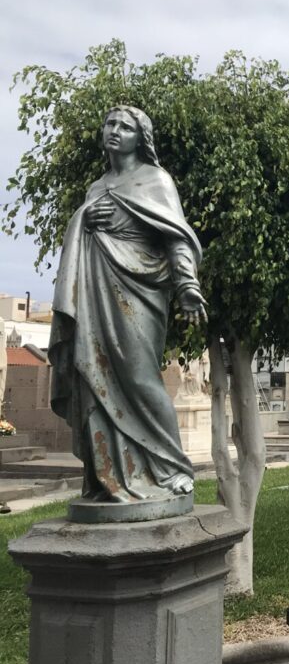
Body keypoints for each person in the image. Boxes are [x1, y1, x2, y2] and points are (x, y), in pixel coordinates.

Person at [49, 106, 207, 503]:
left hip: (140, 289)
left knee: (140, 379)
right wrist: (86, 222)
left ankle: (172, 468)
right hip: (95, 291)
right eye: (110, 124)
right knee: (94, 377)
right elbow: (85, 233)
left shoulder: (155, 179)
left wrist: (187, 285)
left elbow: (176, 236)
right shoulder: (96, 188)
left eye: (125, 127)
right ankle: (108, 475)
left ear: (141, 138)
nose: (115, 131)